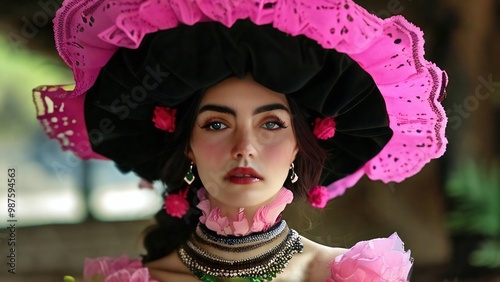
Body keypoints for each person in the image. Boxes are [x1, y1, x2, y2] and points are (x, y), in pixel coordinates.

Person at [33, 0, 448, 281]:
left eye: (271, 125)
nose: (244, 147)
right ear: (187, 145)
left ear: (300, 145)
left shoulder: (348, 276)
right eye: (216, 124)